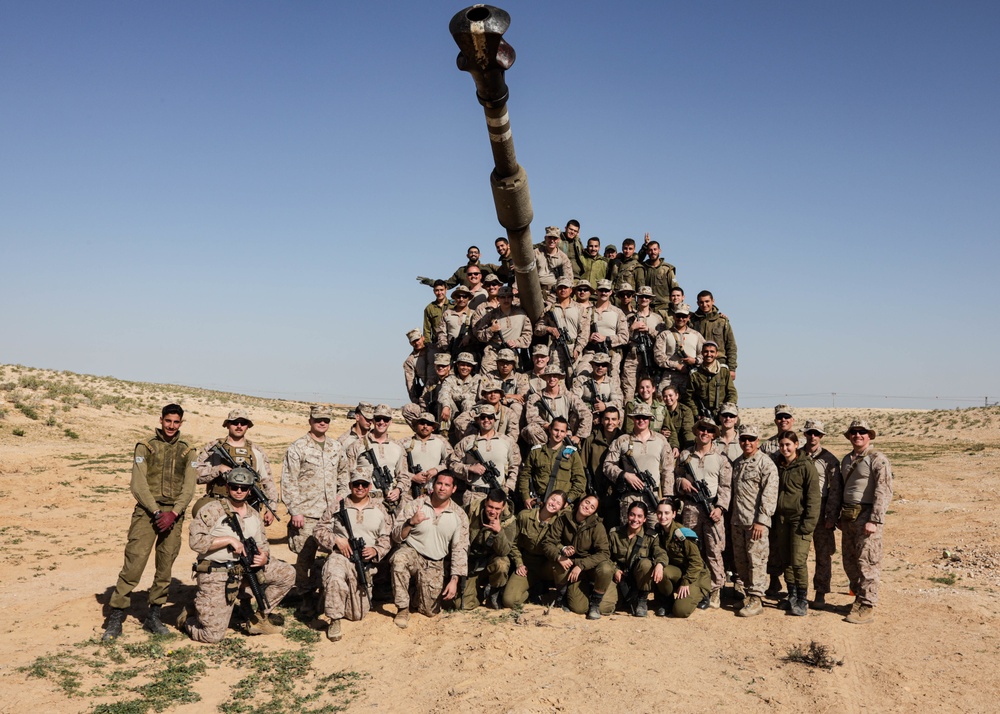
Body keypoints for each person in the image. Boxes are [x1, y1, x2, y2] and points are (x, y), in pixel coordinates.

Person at [102, 403, 198, 640]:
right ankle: (116, 616)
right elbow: (138, 483)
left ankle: (154, 616)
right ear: (161, 420)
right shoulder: (145, 447)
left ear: (181, 423)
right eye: (168, 421)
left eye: (176, 422)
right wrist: (156, 512)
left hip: (174, 515)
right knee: (134, 563)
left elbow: (189, 487)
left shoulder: (188, 451)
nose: (171, 426)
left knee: (165, 566)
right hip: (147, 512)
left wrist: (173, 513)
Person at [179, 468, 296, 643]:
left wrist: (263, 557)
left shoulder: (254, 515)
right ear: (227, 488)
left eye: (243, 487)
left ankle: (259, 619)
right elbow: (196, 542)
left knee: (287, 573)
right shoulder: (211, 510)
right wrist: (227, 540)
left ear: (250, 490)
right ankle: (189, 617)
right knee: (212, 636)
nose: (239, 491)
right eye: (234, 487)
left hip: (245, 570)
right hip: (217, 573)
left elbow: (263, 545)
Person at [313, 468, 392, 641]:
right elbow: (318, 530)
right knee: (334, 576)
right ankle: (334, 619)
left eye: (364, 484)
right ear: (350, 485)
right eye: (356, 484)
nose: (360, 487)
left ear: (370, 486)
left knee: (357, 614)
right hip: (340, 556)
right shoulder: (337, 506)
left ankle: (329, 597)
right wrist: (335, 540)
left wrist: (376, 550)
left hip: (364, 562)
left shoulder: (380, 508)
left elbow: (387, 537)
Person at [827, 419, 893, 625]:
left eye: (862, 432)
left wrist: (875, 519)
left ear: (869, 436)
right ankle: (858, 598)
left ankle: (868, 604)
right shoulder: (846, 459)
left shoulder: (877, 459)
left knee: (867, 562)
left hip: (867, 516)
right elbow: (837, 490)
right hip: (848, 517)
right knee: (850, 561)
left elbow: (884, 490)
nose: (858, 435)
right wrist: (835, 515)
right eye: (854, 432)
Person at [281, 405, 347, 608]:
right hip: (307, 513)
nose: (322, 422)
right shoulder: (298, 447)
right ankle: (305, 596)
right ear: (310, 420)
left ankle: (328, 593)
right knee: (304, 559)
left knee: (335, 555)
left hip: (331, 515)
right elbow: (288, 481)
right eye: (318, 419)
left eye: (326, 419)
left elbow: (344, 475)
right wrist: (295, 511)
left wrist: (341, 497)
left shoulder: (336, 447)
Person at [390, 471, 470, 628]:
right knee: (399, 559)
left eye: (447, 485)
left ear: (453, 489)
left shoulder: (459, 515)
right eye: (439, 483)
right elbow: (396, 536)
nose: (442, 488)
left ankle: (414, 592)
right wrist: (410, 522)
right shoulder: (415, 505)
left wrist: (454, 580)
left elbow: (459, 550)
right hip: (412, 552)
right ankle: (402, 608)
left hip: (434, 561)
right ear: (433, 485)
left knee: (429, 611)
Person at [675, 417, 732, 608]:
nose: (705, 433)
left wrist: (720, 508)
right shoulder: (685, 455)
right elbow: (675, 477)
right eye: (702, 429)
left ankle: (715, 590)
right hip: (691, 508)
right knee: (692, 549)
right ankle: (697, 587)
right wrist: (681, 483)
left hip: (712, 509)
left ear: (714, 434)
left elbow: (726, 486)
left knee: (714, 550)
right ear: (696, 431)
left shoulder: (721, 457)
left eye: (709, 430)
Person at [193, 408, 278, 524]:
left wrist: (271, 508)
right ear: (227, 425)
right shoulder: (214, 448)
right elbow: (194, 472)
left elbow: (267, 481)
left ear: (247, 426)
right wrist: (217, 469)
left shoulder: (257, 451)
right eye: (234, 422)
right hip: (218, 505)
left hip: (247, 507)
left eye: (243, 423)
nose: (239, 426)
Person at [729, 425, 778, 617]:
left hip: (755, 523)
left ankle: (757, 598)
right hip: (738, 520)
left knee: (756, 560)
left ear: (758, 441)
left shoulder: (766, 464)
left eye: (751, 439)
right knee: (742, 561)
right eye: (743, 439)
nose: (747, 443)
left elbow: (770, 494)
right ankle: (748, 595)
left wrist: (762, 521)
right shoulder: (738, 463)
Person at [541, 495, 617, 619]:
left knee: (605, 606)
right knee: (579, 608)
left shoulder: (597, 526)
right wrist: (559, 556)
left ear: (594, 512)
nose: (587, 507)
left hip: (592, 568)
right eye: (587, 502)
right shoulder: (564, 519)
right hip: (574, 570)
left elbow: (604, 553)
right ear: (581, 501)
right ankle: (563, 595)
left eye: (592, 507)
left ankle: (595, 603)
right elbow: (548, 542)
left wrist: (581, 565)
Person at [772, 431, 821, 616]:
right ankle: (791, 595)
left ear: (796, 444)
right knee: (786, 560)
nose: (785, 449)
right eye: (782, 445)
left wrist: (808, 524)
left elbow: (814, 498)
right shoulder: (779, 465)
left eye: (788, 445)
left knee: (798, 561)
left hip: (799, 520)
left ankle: (802, 598)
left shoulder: (806, 466)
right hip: (782, 520)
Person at [604, 402, 674, 526]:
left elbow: (667, 469)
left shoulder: (660, 440)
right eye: (638, 417)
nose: (641, 420)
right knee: (628, 535)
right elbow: (608, 465)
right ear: (632, 419)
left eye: (645, 417)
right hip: (630, 497)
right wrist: (624, 475)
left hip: (653, 496)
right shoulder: (622, 440)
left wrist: (667, 495)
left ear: (650, 419)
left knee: (654, 533)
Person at [503, 490, 568, 608]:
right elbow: (513, 543)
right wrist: (519, 564)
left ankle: (560, 596)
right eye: (553, 499)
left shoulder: (560, 523)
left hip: (547, 565)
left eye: (558, 503)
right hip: (528, 565)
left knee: (562, 564)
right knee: (509, 601)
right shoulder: (525, 516)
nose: (554, 504)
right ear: (546, 499)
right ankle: (533, 591)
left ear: (561, 508)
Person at [800, 419, 840, 608]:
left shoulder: (829, 460)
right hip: (800, 508)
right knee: (798, 553)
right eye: (810, 433)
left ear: (822, 436)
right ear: (805, 434)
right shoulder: (797, 454)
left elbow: (835, 491)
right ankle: (798, 591)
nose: (813, 437)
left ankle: (821, 592)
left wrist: (831, 516)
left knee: (823, 554)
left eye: (816, 433)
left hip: (822, 509)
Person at [651, 498, 712, 618]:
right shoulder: (659, 531)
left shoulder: (683, 533)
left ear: (674, 514)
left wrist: (685, 582)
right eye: (659, 513)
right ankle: (667, 602)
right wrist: (659, 564)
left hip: (695, 575)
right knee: (663, 571)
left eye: (667, 513)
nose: (663, 516)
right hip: (679, 572)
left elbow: (696, 562)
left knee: (680, 611)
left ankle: (703, 594)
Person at [449, 404, 520, 505]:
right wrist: (469, 468)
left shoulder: (507, 441)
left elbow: (515, 466)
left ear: (495, 420)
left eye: (490, 417)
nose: (486, 420)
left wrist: (508, 487)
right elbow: (452, 463)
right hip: (473, 496)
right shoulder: (467, 441)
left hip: (497, 496)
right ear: (478, 420)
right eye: (483, 417)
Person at [344, 405, 409, 511]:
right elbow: (347, 476)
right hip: (363, 504)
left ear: (390, 421)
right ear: (373, 420)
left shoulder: (398, 447)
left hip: (389, 504)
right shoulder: (357, 446)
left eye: (386, 419)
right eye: (378, 418)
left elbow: (404, 476)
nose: (382, 422)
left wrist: (398, 490)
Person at [462, 490, 517, 609]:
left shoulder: (509, 521)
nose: (493, 511)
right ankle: (481, 594)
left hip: (491, 562)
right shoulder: (471, 510)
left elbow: (505, 551)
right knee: (463, 604)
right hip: (471, 561)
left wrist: (499, 531)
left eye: (497, 508)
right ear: (485, 502)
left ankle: (494, 591)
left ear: (503, 507)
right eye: (490, 507)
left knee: (502, 564)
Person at [518, 417, 587, 509]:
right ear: (550, 429)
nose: (558, 434)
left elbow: (580, 481)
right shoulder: (536, 452)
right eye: (556, 430)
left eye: (562, 431)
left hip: (561, 506)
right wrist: (526, 497)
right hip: (539, 503)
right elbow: (525, 476)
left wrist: (568, 500)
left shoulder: (572, 454)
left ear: (566, 433)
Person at [523, 364, 593, 446]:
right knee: (531, 428)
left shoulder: (569, 396)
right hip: (546, 432)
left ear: (559, 378)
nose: (552, 379)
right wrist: (549, 426)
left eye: (555, 376)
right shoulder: (536, 397)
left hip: (565, 433)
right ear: (544, 378)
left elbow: (586, 413)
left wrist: (578, 436)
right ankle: (542, 451)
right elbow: (531, 418)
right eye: (549, 376)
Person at [608, 501, 658, 616]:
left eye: (640, 516)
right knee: (604, 608)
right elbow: (605, 555)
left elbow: (660, 553)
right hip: (619, 578)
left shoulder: (651, 537)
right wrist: (614, 569)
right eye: (632, 515)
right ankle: (623, 599)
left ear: (645, 519)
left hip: (639, 579)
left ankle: (642, 600)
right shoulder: (614, 533)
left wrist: (660, 564)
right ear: (627, 515)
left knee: (646, 564)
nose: (635, 519)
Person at [580, 406, 624, 526]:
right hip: (595, 491)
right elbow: (582, 467)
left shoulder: (624, 441)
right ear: (601, 420)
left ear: (619, 421)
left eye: (614, 419)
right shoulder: (591, 441)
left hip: (616, 494)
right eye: (607, 419)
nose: (610, 422)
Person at [535, 277, 588, 376]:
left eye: (565, 287)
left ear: (571, 290)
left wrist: (578, 349)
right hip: (556, 349)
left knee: (574, 378)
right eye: (560, 288)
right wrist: (549, 329)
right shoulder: (549, 309)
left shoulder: (580, 309)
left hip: (573, 348)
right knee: (556, 378)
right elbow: (537, 328)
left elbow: (584, 332)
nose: (563, 290)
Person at [622, 286, 666, 402]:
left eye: (647, 297)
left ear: (651, 299)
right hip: (633, 357)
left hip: (650, 358)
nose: (644, 299)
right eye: (641, 297)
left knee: (650, 392)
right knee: (629, 391)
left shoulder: (658, 319)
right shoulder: (629, 317)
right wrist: (632, 328)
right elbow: (622, 338)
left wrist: (649, 330)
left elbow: (663, 339)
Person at [475, 285, 533, 373]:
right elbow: (479, 335)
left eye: (509, 297)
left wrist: (516, 342)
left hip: (512, 352)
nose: (506, 300)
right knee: (487, 381)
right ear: (498, 299)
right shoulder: (491, 315)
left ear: (512, 298)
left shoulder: (521, 314)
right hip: (493, 353)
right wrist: (491, 330)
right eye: (503, 297)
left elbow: (528, 336)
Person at [400, 412, 454, 500]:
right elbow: (397, 467)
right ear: (416, 425)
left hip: (435, 490)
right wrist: (412, 477)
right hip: (409, 490)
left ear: (433, 428)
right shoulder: (404, 442)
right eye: (422, 423)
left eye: (429, 424)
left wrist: (436, 470)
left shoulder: (441, 441)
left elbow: (451, 461)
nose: (425, 426)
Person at [654, 303, 704, 395]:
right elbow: (658, 357)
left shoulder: (696, 336)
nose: (681, 319)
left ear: (688, 317)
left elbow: (704, 354)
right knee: (662, 403)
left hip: (690, 377)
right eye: (678, 316)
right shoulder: (664, 335)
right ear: (673, 316)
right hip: (669, 377)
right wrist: (676, 366)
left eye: (684, 316)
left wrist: (695, 360)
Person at [691, 291, 737, 380]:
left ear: (713, 301)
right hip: (698, 364)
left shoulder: (722, 322)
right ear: (697, 303)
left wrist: (732, 368)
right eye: (701, 302)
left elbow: (731, 346)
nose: (704, 304)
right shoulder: (692, 321)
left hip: (719, 363)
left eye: (707, 301)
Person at [684, 342, 737, 421]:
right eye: (706, 351)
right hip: (703, 415)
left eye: (712, 351)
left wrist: (727, 410)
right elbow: (689, 397)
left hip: (723, 413)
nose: (709, 354)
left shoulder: (723, 370)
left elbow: (732, 392)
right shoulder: (695, 374)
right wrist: (697, 414)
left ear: (716, 354)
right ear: (702, 353)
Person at [573, 352, 623, 423]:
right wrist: (591, 411)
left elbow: (619, 401)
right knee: (574, 415)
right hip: (586, 412)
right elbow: (574, 399)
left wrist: (605, 406)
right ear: (592, 365)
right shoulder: (582, 380)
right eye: (597, 364)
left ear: (607, 367)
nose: (600, 367)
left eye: (604, 365)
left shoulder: (612, 382)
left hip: (606, 413)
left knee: (620, 413)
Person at [435, 286, 476, 361]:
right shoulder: (447, 313)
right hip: (451, 351)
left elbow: (478, 332)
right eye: (458, 296)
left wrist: (469, 336)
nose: (461, 299)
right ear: (454, 298)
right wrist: (446, 348)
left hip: (469, 352)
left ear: (468, 298)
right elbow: (441, 332)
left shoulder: (473, 314)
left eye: (464, 297)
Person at [636, 238, 678, 309]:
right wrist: (644, 246)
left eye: (655, 249)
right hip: (647, 307)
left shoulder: (667, 269)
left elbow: (675, 289)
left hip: (664, 308)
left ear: (659, 251)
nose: (653, 252)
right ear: (647, 252)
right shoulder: (642, 268)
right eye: (650, 250)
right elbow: (635, 260)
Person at [403, 329, 434, 404]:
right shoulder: (409, 361)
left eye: (418, 339)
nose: (416, 343)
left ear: (423, 338)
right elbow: (410, 383)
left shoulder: (435, 349)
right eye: (413, 341)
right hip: (427, 393)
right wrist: (415, 400)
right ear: (410, 343)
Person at [662, 385, 695, 456]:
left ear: (677, 396)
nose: (668, 398)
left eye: (670, 395)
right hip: (666, 445)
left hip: (682, 444)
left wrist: (690, 448)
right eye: (665, 396)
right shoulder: (661, 411)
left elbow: (688, 431)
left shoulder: (685, 411)